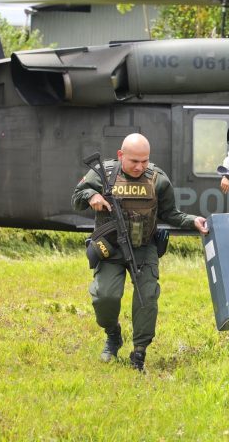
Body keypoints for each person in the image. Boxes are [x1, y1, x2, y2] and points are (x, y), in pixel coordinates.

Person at [72, 133, 207, 372]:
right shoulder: (103, 174)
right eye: (134, 161)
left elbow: (171, 214)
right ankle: (113, 335)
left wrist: (192, 220)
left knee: (147, 298)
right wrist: (91, 195)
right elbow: (76, 198)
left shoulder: (158, 180)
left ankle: (139, 352)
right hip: (110, 249)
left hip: (144, 248)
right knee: (105, 297)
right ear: (120, 155)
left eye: (145, 161)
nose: (140, 166)